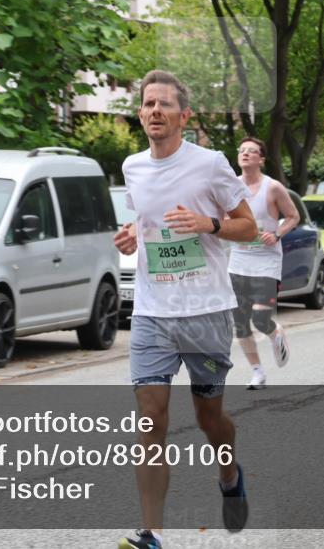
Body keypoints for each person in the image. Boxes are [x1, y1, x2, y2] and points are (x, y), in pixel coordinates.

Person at [115, 70, 258, 549]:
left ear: (184, 115)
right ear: (140, 114)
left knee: (208, 420)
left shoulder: (211, 164)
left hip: (206, 312)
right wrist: (133, 236)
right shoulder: (132, 167)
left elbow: (249, 227)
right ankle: (152, 533)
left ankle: (229, 471)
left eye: (165, 105)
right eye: (148, 104)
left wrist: (208, 223)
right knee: (150, 418)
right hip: (153, 312)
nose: (155, 111)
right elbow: (146, 221)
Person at [229, 136, 300, 389]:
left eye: (251, 151)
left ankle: (275, 332)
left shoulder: (273, 188)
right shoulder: (231, 186)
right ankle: (257, 372)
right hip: (238, 260)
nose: (245, 154)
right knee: (239, 323)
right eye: (242, 150)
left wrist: (277, 233)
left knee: (260, 320)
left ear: (261, 159)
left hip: (266, 262)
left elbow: (293, 216)